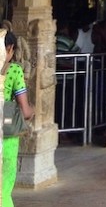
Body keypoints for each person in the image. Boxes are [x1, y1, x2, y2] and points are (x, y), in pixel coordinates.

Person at [3, 31, 35, 206]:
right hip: (6, 137)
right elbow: (26, 111)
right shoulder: (14, 71)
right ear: (10, 48)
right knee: (3, 190)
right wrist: (33, 110)